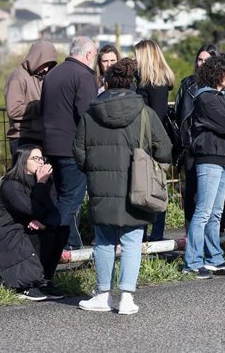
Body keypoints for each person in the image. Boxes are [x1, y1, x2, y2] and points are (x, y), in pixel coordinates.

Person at [74, 58, 172, 314]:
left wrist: (95, 171)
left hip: (101, 186)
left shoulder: (90, 114)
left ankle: (103, 295)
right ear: (132, 83)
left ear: (105, 82)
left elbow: (79, 153)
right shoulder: (145, 113)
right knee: (131, 240)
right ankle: (126, 297)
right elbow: (165, 149)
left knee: (104, 240)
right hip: (136, 186)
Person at [183, 55, 225, 279]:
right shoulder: (206, 98)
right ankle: (192, 261)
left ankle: (214, 257)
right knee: (203, 212)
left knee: (216, 214)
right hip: (209, 159)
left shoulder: (224, 97)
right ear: (217, 74)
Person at [0, 145, 68, 301]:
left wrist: (45, 224)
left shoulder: (45, 182)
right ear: (23, 161)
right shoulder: (11, 184)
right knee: (36, 237)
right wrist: (41, 183)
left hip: (25, 229)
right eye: (35, 158)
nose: (41, 162)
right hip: (2, 235)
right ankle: (26, 285)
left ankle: (44, 280)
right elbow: (29, 210)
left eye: (42, 158)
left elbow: (55, 211)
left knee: (58, 233)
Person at [41, 36, 98, 250]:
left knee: (59, 197)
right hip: (72, 147)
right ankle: (56, 244)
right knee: (70, 200)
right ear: (89, 54)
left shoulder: (52, 74)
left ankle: (72, 242)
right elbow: (87, 114)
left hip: (50, 145)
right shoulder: (83, 76)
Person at [134, 39, 176, 242]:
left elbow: (156, 117)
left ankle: (154, 235)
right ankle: (148, 234)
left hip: (151, 145)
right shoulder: (149, 82)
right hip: (148, 143)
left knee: (153, 189)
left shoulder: (155, 84)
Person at [175, 44, 219, 226]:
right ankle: (191, 240)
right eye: (199, 60)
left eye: (206, 60)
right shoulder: (188, 84)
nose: (201, 64)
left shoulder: (222, 86)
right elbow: (180, 115)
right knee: (192, 195)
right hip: (192, 148)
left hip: (216, 148)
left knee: (216, 201)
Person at [4, 40, 57, 157]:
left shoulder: (41, 77)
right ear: (36, 59)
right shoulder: (18, 77)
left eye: (49, 66)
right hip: (23, 139)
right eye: (44, 64)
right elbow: (13, 110)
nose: (46, 69)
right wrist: (41, 105)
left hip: (39, 136)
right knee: (23, 175)